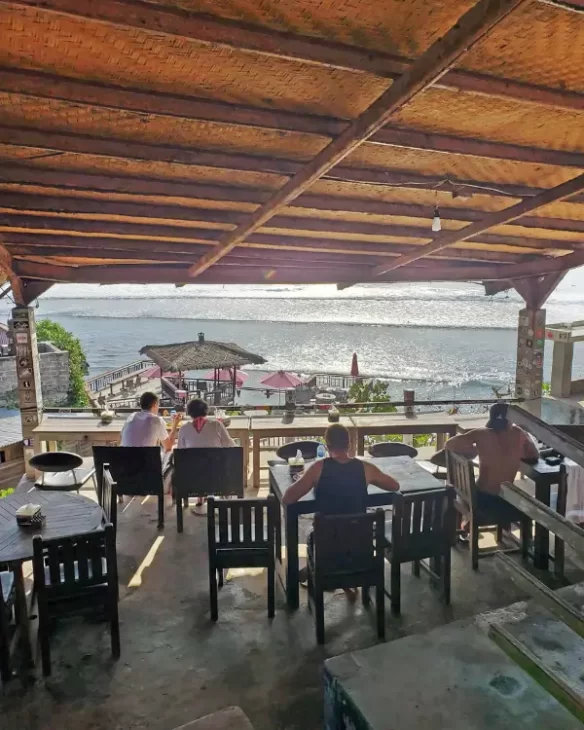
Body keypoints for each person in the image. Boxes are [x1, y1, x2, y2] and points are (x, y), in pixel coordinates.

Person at [282, 424, 400, 590]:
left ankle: (312, 570)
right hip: (360, 546)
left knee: (315, 534)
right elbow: (394, 485)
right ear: (349, 444)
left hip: (328, 547)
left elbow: (288, 498)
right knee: (347, 531)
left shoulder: (318, 468)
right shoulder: (365, 468)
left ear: (326, 445)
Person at [444, 401, 539, 532]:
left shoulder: (480, 433)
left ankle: (469, 522)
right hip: (504, 500)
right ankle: (518, 538)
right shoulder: (518, 433)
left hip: (480, 499)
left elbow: (449, 444)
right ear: (510, 418)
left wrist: (473, 450)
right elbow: (534, 455)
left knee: (478, 486)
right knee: (529, 503)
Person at [176, 398, 236, 514]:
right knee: (218, 461)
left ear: (189, 412)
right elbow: (231, 446)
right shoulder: (217, 425)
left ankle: (200, 495)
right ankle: (222, 495)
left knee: (194, 463)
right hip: (217, 478)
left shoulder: (184, 429)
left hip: (193, 480)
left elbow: (181, 453)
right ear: (206, 411)